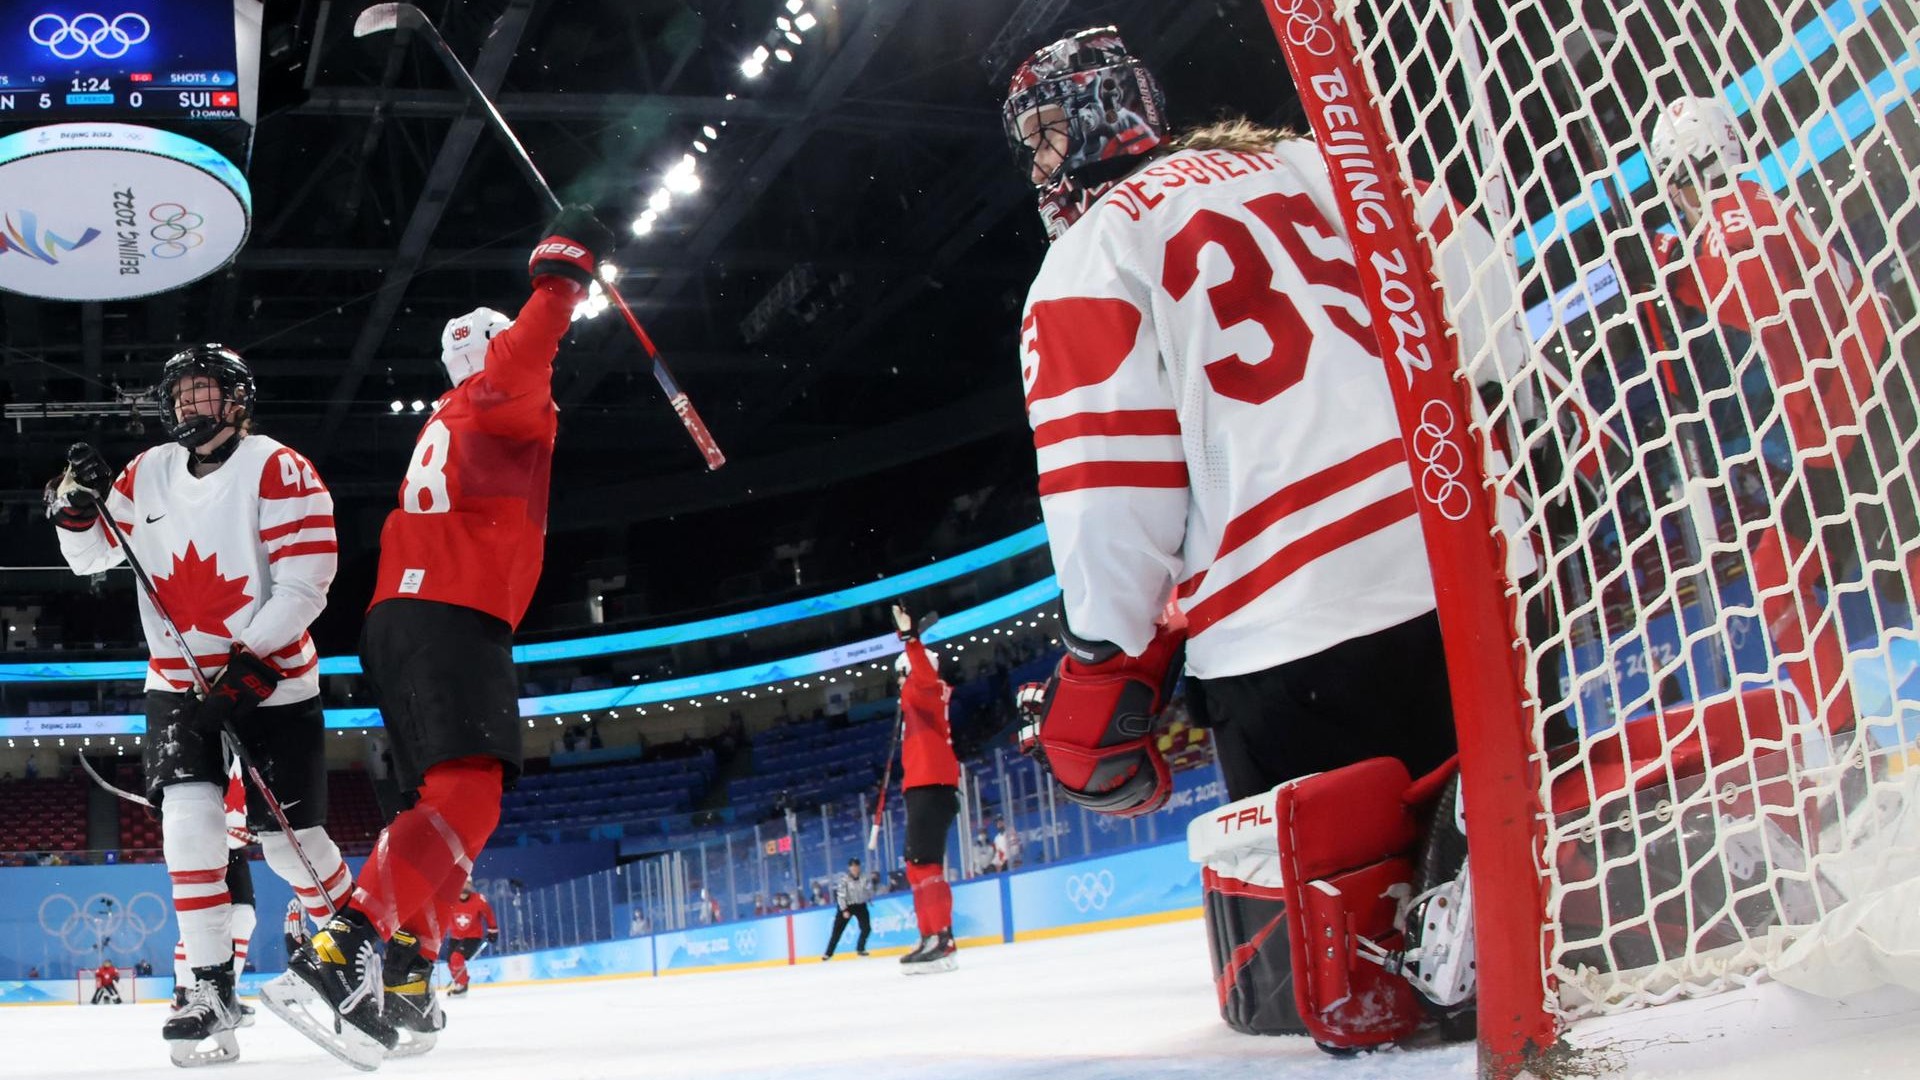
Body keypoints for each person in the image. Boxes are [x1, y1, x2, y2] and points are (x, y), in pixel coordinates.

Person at [1003, 27, 1472, 1051]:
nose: (1040, 163)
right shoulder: (1317, 158)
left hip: (1292, 637)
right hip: (1471, 568)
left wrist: (1103, 654)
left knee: (1360, 982)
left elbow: (1112, 498)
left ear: (1092, 120)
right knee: (1518, 888)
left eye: (1045, 134)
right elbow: (1486, 313)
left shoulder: (1091, 255)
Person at [268, 206, 613, 1066]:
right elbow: (522, 359)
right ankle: (346, 944)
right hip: (454, 612)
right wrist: (560, 282)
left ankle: (410, 969)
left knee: (443, 810)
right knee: (471, 800)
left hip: (398, 620)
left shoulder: (447, 424)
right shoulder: (499, 403)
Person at [46, 342, 351, 1067]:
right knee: (187, 823)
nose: (188, 403)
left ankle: (351, 948)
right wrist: (73, 501)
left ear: (238, 399)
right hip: (177, 681)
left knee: (287, 844)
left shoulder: (278, 466)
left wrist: (246, 671)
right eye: (179, 393)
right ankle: (208, 985)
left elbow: (307, 585)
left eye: (203, 391)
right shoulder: (147, 472)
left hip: (271, 678)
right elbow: (88, 556)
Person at [1648, 95, 1912, 732]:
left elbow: (1760, 298)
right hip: (1844, 417)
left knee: (1903, 555)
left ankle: (1848, 738)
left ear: (1678, 176)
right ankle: (1846, 737)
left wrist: (1679, 274)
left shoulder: (1734, 212)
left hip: (1866, 403)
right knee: (1779, 576)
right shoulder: (1745, 208)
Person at [891, 603, 960, 974]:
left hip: (932, 786)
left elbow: (923, 677)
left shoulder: (926, 691)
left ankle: (942, 938)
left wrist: (910, 640)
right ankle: (929, 935)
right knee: (915, 866)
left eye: (899, 678)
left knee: (925, 865)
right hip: (921, 787)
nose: (898, 686)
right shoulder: (918, 702)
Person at [171, 758, 259, 1032]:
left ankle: (228, 994)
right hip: (202, 831)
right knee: (200, 921)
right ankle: (186, 991)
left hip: (233, 845)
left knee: (243, 917)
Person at [444, 880, 498, 997]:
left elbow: (489, 914)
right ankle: (459, 983)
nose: (466, 886)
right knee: (450, 962)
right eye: (463, 883)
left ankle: (462, 986)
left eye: (468, 883)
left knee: (456, 958)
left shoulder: (479, 900)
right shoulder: (451, 900)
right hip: (455, 937)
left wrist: (493, 930)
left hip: (472, 937)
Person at [820, 857, 874, 960]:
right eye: (852, 866)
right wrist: (844, 909)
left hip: (860, 905)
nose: (854, 868)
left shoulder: (864, 878)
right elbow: (840, 895)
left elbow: (869, 891)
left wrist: (869, 897)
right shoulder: (844, 880)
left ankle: (860, 948)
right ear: (849, 868)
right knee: (837, 931)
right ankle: (828, 953)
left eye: (856, 866)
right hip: (847, 906)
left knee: (866, 928)